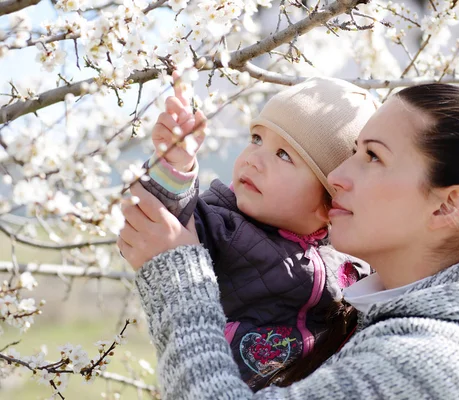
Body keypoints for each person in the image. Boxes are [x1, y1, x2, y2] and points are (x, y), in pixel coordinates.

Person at [118, 83, 459, 399]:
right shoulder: (380, 321)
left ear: (445, 206)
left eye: (372, 158)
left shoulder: (431, 361)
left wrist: (179, 286)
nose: (337, 177)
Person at [126, 76, 378, 390]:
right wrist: (175, 163)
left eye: (284, 154)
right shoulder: (224, 222)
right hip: (217, 383)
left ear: (329, 202)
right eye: (257, 138)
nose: (253, 159)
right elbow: (163, 220)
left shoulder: (349, 253)